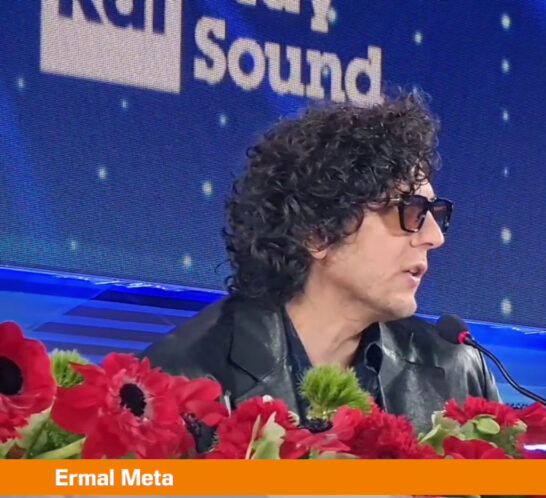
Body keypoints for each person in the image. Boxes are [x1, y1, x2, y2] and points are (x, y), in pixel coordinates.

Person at [143, 91, 500, 433]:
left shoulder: (458, 370)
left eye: (436, 213)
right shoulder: (183, 377)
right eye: (410, 210)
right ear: (318, 234)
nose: (434, 236)